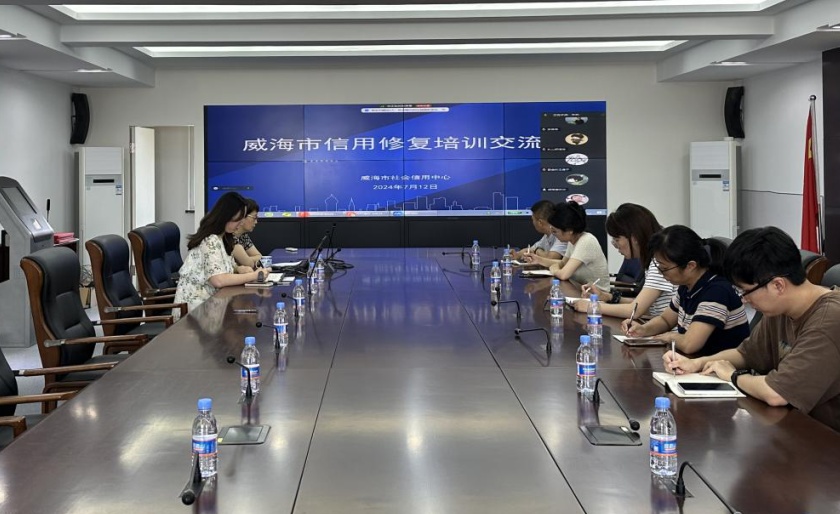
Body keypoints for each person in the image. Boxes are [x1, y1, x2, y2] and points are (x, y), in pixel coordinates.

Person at [665, 227, 840, 432]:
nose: (744, 300)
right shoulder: (781, 308)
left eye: (746, 291)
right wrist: (697, 363)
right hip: (793, 426)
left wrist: (733, 376)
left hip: (825, 438)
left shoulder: (828, 320)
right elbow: (746, 353)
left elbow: (776, 394)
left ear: (778, 285)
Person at [623, 224, 748, 356]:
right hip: (697, 362)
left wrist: (669, 337)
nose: (660, 273)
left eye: (664, 269)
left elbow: (690, 344)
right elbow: (666, 320)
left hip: (721, 365)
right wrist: (643, 329)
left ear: (690, 266)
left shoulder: (717, 291)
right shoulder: (687, 286)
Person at [570, 203, 676, 319]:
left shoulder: (660, 263)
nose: (615, 245)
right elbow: (644, 306)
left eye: (617, 239)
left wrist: (593, 306)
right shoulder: (652, 259)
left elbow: (635, 310)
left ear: (634, 238)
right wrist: (607, 297)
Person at [174, 192, 271, 310]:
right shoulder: (210, 240)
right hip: (196, 310)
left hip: (214, 304)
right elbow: (218, 280)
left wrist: (238, 269)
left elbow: (224, 266)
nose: (241, 223)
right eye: (239, 219)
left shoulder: (224, 238)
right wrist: (254, 276)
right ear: (227, 217)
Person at [521, 201, 609, 288]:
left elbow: (563, 274)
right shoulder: (572, 240)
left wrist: (554, 269)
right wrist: (538, 260)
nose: (553, 234)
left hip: (596, 295)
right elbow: (563, 263)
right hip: (580, 290)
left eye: (555, 231)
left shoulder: (586, 241)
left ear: (569, 230)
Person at [232, 197, 264, 269]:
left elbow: (260, 257)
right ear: (242, 216)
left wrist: (245, 260)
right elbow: (248, 263)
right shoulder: (230, 236)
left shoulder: (243, 235)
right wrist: (246, 260)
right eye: (254, 218)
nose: (256, 222)